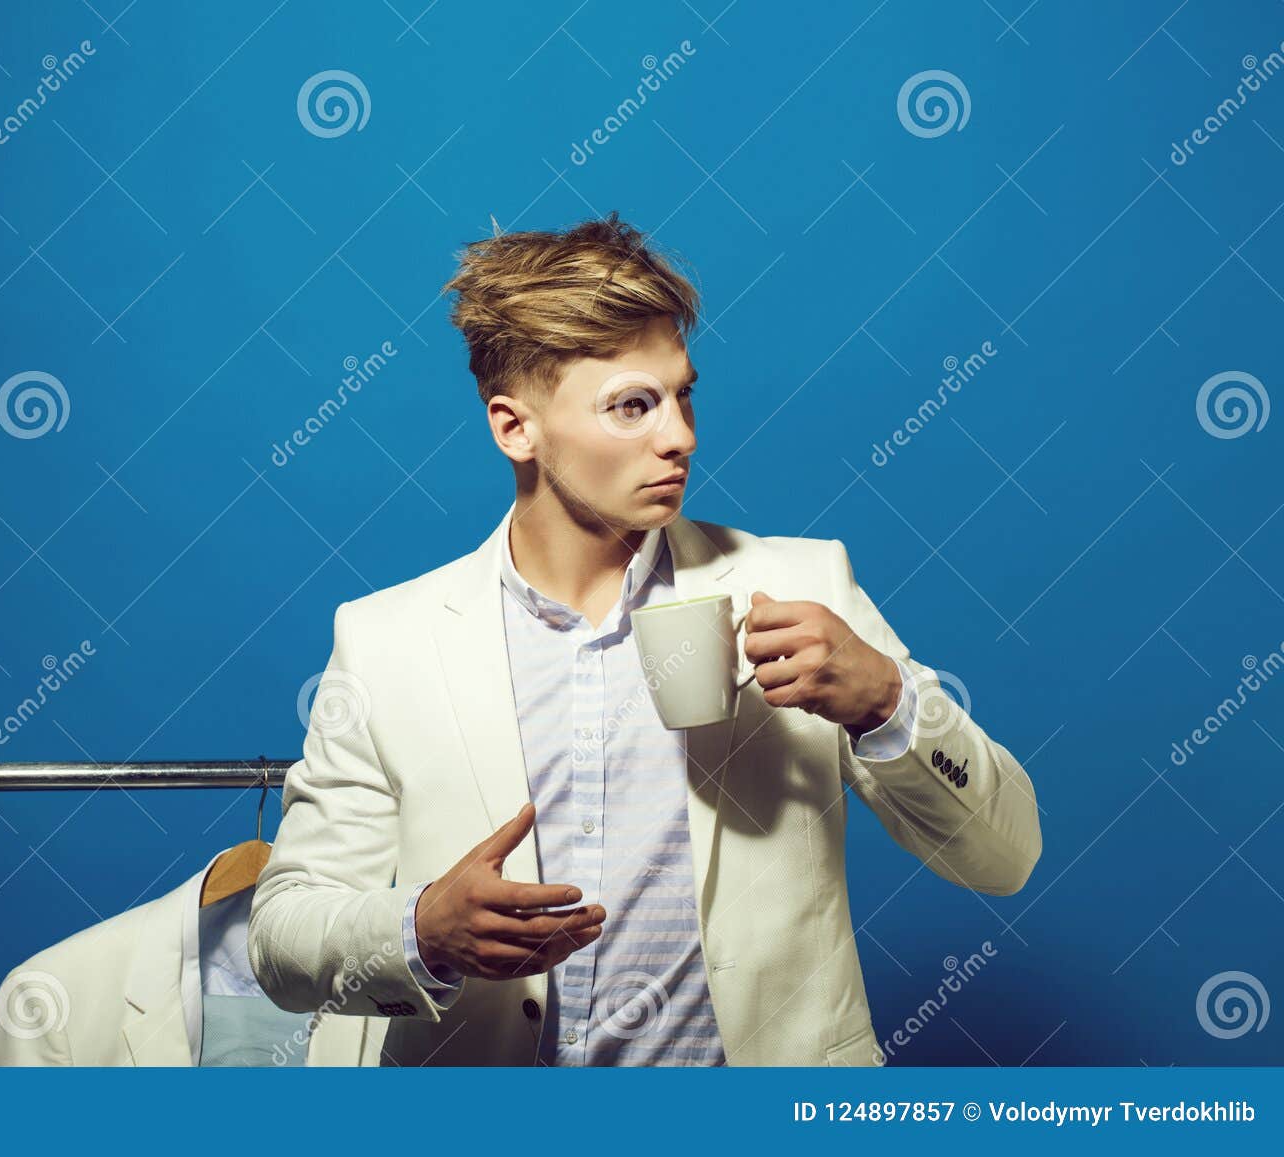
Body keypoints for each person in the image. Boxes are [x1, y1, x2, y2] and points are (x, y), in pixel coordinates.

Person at [247, 212, 1042, 1066]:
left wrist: (887, 702)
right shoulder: (387, 641)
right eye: (633, 406)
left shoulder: (806, 586)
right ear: (516, 427)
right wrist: (422, 928)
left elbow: (1004, 856)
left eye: (681, 394)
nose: (681, 436)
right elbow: (283, 938)